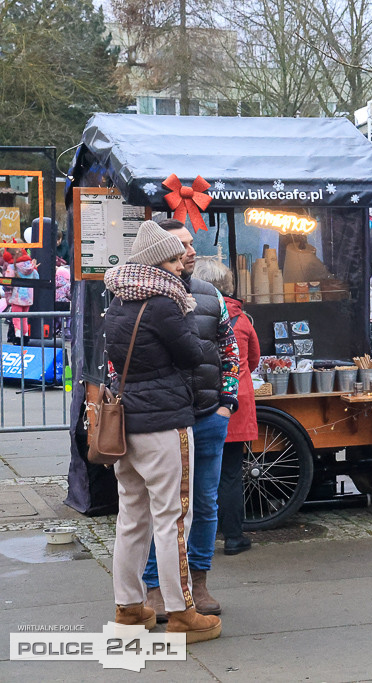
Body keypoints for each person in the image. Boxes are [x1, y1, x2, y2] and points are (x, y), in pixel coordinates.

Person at [103, 220, 220, 641]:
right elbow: (190, 354)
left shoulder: (118, 299)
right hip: (165, 421)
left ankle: (129, 606)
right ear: (156, 262)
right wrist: (201, 337)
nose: (180, 265)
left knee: (131, 516)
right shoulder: (165, 302)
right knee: (173, 517)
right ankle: (181, 610)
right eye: (173, 258)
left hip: (127, 419)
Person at [143, 219, 240, 623]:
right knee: (161, 506)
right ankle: (155, 587)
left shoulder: (210, 295)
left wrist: (225, 404)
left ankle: (198, 582)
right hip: (164, 419)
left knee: (204, 501)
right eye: (181, 244)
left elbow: (231, 351)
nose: (190, 250)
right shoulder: (141, 295)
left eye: (191, 242)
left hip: (207, 416)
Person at [193, 258, 258, 557]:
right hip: (235, 404)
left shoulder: (192, 314)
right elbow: (254, 359)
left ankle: (199, 532)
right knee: (231, 473)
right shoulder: (242, 320)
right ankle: (234, 536)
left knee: (198, 473)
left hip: (203, 402)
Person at [3, 247, 38, 340]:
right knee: (24, 318)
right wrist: (35, 268)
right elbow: (36, 278)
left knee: (16, 318)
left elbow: (8, 284)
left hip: (16, 297)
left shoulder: (11, 266)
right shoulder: (30, 265)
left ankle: (18, 337)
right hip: (29, 297)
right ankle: (25, 337)